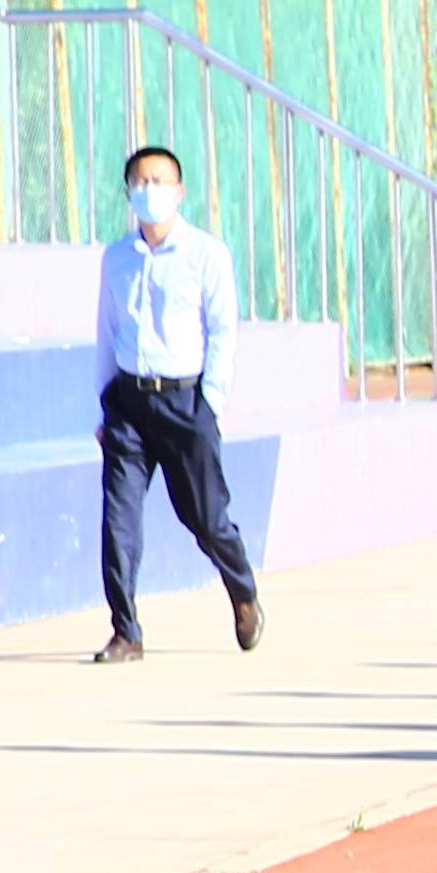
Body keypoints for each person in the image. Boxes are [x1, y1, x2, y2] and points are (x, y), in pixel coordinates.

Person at [90, 144, 262, 663]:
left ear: (179, 191)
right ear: (128, 194)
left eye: (159, 181)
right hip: (129, 404)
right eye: (140, 183)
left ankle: (243, 589)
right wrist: (103, 408)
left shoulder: (207, 254)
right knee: (119, 518)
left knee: (206, 518)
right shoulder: (117, 258)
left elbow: (223, 332)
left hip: (186, 402)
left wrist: (211, 404)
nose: (150, 191)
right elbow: (107, 331)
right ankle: (126, 630)